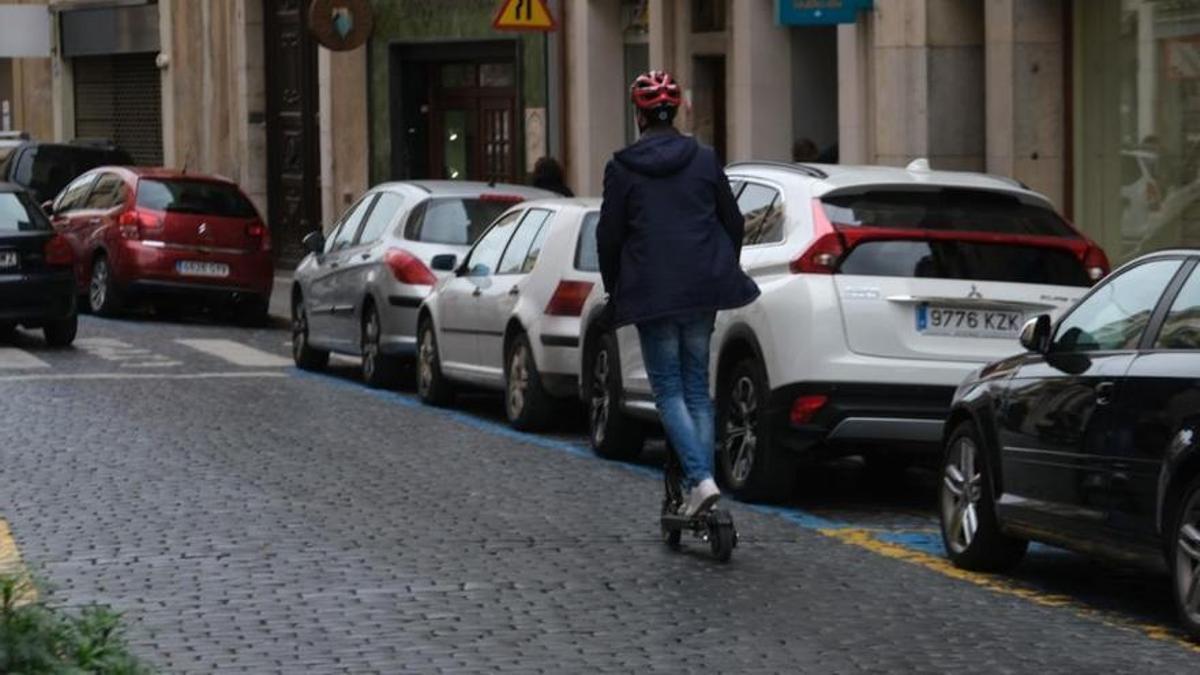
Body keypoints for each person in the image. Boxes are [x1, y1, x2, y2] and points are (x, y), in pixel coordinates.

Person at [597, 70, 760, 517]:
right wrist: (722, 265)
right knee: (695, 388)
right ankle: (701, 486)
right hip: (703, 287)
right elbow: (734, 221)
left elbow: (609, 238)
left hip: (653, 292)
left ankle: (699, 481)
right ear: (678, 112)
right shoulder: (705, 159)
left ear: (639, 116)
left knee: (667, 389)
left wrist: (615, 290)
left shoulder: (623, 168)